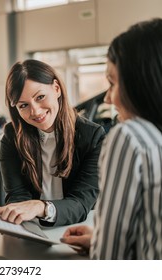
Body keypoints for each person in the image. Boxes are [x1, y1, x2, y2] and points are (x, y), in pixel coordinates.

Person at [61, 18, 162, 259]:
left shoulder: (130, 137)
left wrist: (102, 243)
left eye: (112, 83)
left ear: (142, 83)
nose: (107, 99)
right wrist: (99, 238)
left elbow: (109, 258)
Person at [0, 59, 106, 226]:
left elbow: (80, 203)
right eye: (23, 105)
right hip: (32, 228)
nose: (35, 111)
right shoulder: (12, 136)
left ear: (56, 88)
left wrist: (41, 207)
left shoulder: (93, 137)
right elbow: (17, 196)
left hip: (79, 228)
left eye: (40, 97)